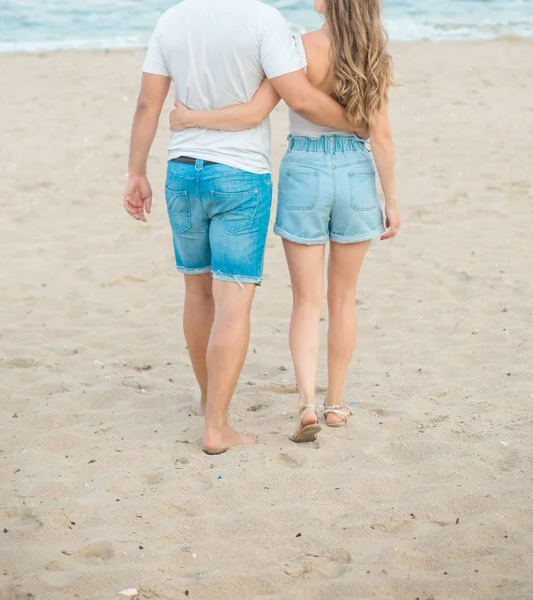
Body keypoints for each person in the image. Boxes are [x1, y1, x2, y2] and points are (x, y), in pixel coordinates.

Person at [123, 0, 363, 454]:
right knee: (232, 302)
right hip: (239, 176)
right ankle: (216, 427)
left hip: (182, 169)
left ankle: (208, 400)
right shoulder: (263, 19)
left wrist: (136, 172)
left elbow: (146, 105)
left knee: (196, 291)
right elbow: (301, 98)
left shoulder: (170, 19)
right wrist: (360, 123)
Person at [169, 0, 401, 443]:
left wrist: (190, 118)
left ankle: (306, 405)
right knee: (344, 299)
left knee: (306, 302)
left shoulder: (297, 48)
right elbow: (382, 134)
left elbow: (256, 110)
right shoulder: (375, 56)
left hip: (305, 172)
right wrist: (390, 199)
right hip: (356, 172)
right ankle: (335, 404)